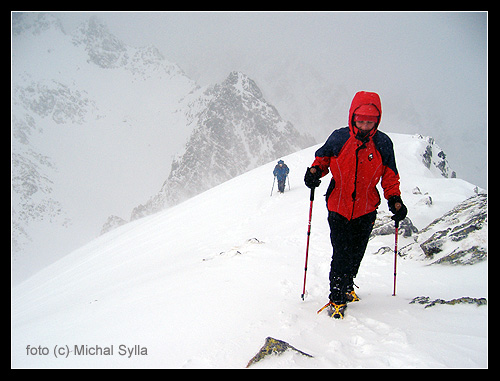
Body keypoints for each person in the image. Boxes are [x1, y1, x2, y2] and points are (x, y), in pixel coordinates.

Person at [304, 91, 407, 319]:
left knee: (356, 253)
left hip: (366, 210)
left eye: (370, 122)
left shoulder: (383, 144)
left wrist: (395, 200)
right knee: (341, 253)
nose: (365, 126)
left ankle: (348, 286)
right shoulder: (339, 139)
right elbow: (323, 161)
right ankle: (337, 298)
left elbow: (390, 176)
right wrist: (314, 172)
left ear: (377, 121)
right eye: (361, 121)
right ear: (352, 117)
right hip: (338, 208)